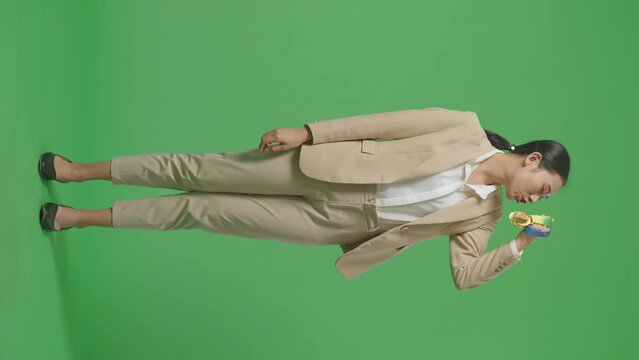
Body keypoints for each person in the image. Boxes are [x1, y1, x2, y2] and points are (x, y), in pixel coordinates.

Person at [38, 107, 570, 290]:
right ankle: (79, 171)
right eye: (543, 187)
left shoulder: (487, 213)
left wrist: (521, 240)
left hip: (333, 222)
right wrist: (309, 131)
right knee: (196, 170)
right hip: (323, 166)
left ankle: (80, 217)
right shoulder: (463, 126)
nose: (536, 195)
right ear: (531, 159)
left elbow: (465, 275)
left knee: (201, 209)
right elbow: (387, 124)